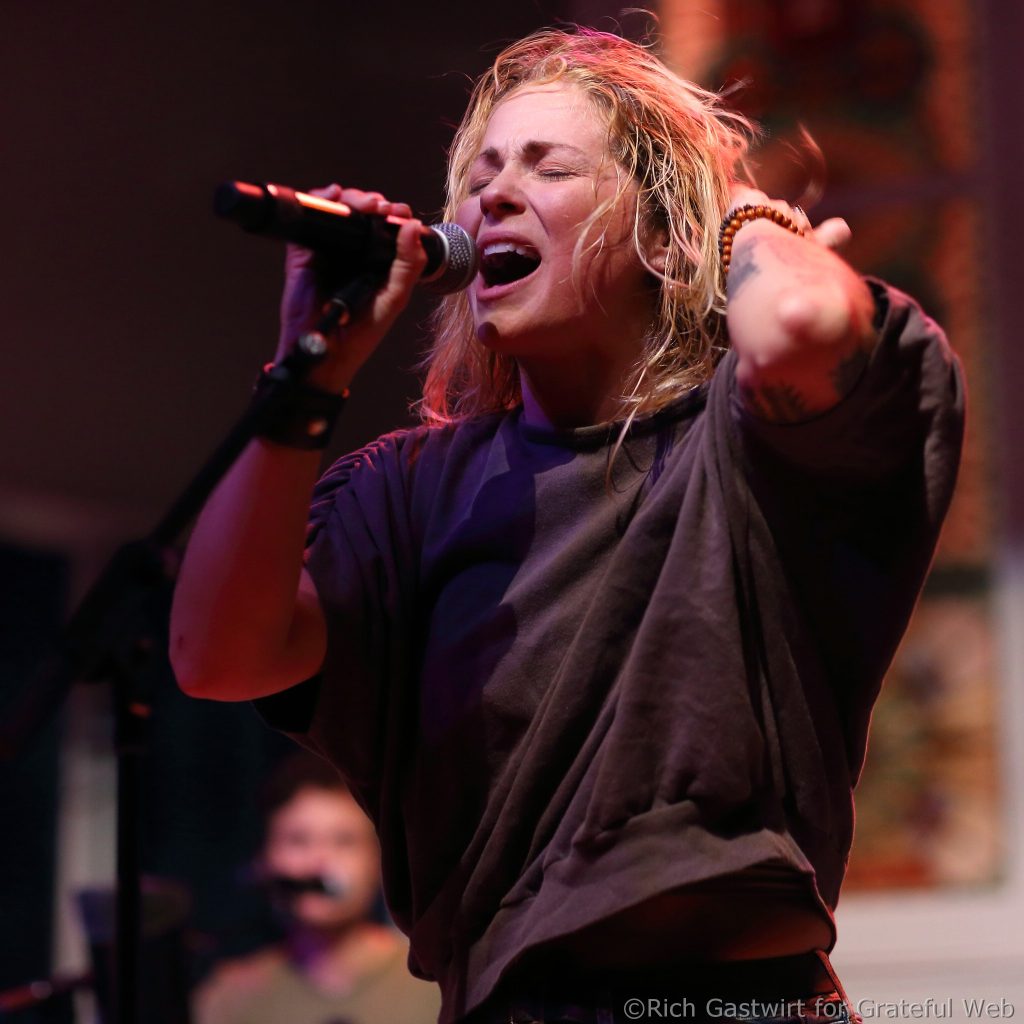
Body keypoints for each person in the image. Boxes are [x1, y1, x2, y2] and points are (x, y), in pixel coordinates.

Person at [170, 26, 964, 1024]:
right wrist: (308, 370)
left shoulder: (750, 447)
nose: (494, 197)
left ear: (664, 239)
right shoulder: (406, 492)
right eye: (481, 176)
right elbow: (217, 656)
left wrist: (744, 217)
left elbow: (799, 325)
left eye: (548, 168)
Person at [194, 751, 441, 1024]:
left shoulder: (436, 980)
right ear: (265, 859)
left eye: (344, 841)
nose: (319, 862)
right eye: (298, 840)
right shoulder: (231, 997)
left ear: (379, 861)